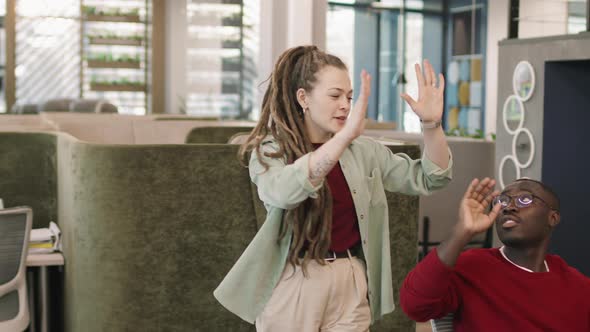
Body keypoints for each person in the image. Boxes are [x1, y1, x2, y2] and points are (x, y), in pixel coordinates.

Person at [214, 45, 452, 331]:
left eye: (350, 97)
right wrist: (343, 139)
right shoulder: (270, 149)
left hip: (350, 277)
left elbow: (431, 177)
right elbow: (281, 193)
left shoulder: (363, 151)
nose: (345, 105)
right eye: (335, 95)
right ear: (303, 97)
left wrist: (431, 124)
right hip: (295, 280)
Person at [400, 177, 590, 331]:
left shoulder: (576, 285)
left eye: (525, 199)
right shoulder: (472, 265)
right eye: (502, 201)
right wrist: (462, 231)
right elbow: (415, 306)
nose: (508, 207)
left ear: (552, 218)